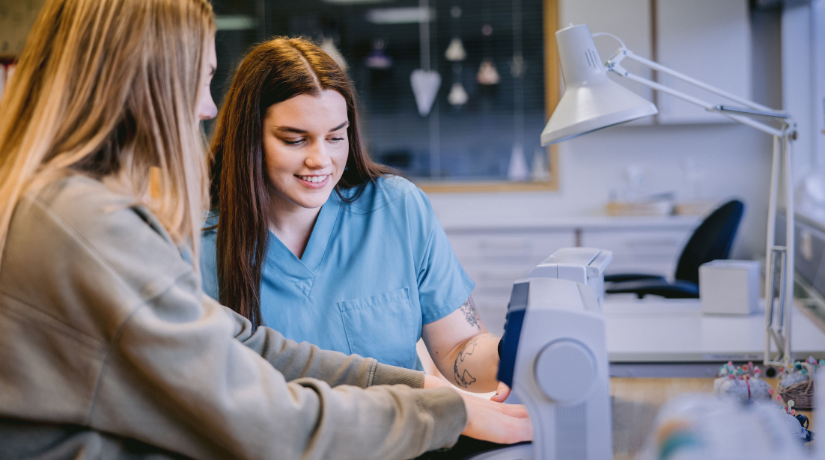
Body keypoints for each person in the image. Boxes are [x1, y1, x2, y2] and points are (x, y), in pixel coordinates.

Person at [0, 0, 530, 458]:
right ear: (146, 79)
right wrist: (438, 412)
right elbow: (270, 424)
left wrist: (429, 389)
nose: (209, 106)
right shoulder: (90, 229)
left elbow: (251, 347)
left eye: (336, 136)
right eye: (203, 77)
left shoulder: (67, 212)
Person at [202, 37, 508, 398]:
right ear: (249, 138)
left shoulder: (398, 209)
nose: (321, 159)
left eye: (335, 137)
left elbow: (460, 351)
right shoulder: (196, 243)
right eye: (295, 140)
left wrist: (517, 349)